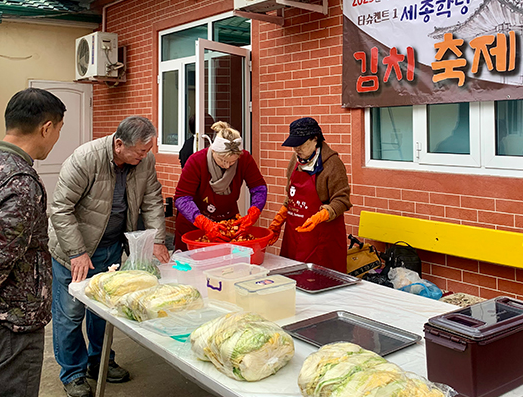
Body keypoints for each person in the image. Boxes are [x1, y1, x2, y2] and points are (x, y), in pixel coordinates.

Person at [48, 116, 170, 397]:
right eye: (140, 151)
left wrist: (157, 240)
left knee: (104, 310)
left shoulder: (144, 161)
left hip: (112, 247)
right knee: (70, 313)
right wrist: (77, 252)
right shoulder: (85, 159)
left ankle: (100, 362)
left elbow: (152, 198)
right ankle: (73, 373)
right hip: (75, 250)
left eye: (148, 149)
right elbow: (61, 208)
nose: (145, 156)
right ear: (118, 144)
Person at [0, 88, 66, 397]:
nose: (56, 138)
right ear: (47, 128)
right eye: (58, 130)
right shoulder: (19, 182)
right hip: (8, 327)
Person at [268, 117, 352, 273]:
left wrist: (323, 215)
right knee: (291, 276)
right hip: (294, 235)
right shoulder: (295, 160)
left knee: (318, 281)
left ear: (315, 139)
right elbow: (291, 196)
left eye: (301, 145)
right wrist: (279, 218)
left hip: (322, 238)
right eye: (294, 146)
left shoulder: (333, 164)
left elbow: (342, 199)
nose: (297, 149)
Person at [174, 122, 267, 250]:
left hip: (227, 222)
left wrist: (253, 214)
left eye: (232, 162)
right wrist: (204, 223)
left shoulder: (245, 159)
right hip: (193, 224)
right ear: (213, 151)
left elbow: (259, 188)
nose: (227, 166)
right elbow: (182, 198)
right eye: (223, 160)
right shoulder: (196, 161)